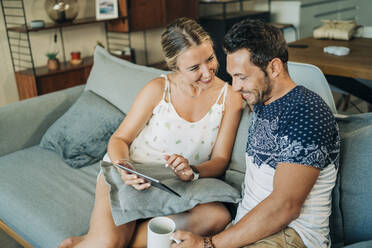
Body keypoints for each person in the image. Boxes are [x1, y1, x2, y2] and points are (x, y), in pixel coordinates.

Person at [58, 17, 242, 248]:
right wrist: (124, 167)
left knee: (218, 216)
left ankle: (92, 240)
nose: (207, 72)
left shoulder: (230, 97)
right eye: (194, 67)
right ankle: (95, 241)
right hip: (134, 175)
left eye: (210, 59)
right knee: (108, 245)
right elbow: (119, 139)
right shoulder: (158, 89)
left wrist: (192, 170)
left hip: (179, 184)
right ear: (174, 67)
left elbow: (220, 160)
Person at [171, 19, 340, 248]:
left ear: (274, 68)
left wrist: (207, 244)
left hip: (291, 236)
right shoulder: (262, 99)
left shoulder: (307, 113)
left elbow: (285, 207)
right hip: (248, 228)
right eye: (232, 76)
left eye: (242, 76)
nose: (236, 86)